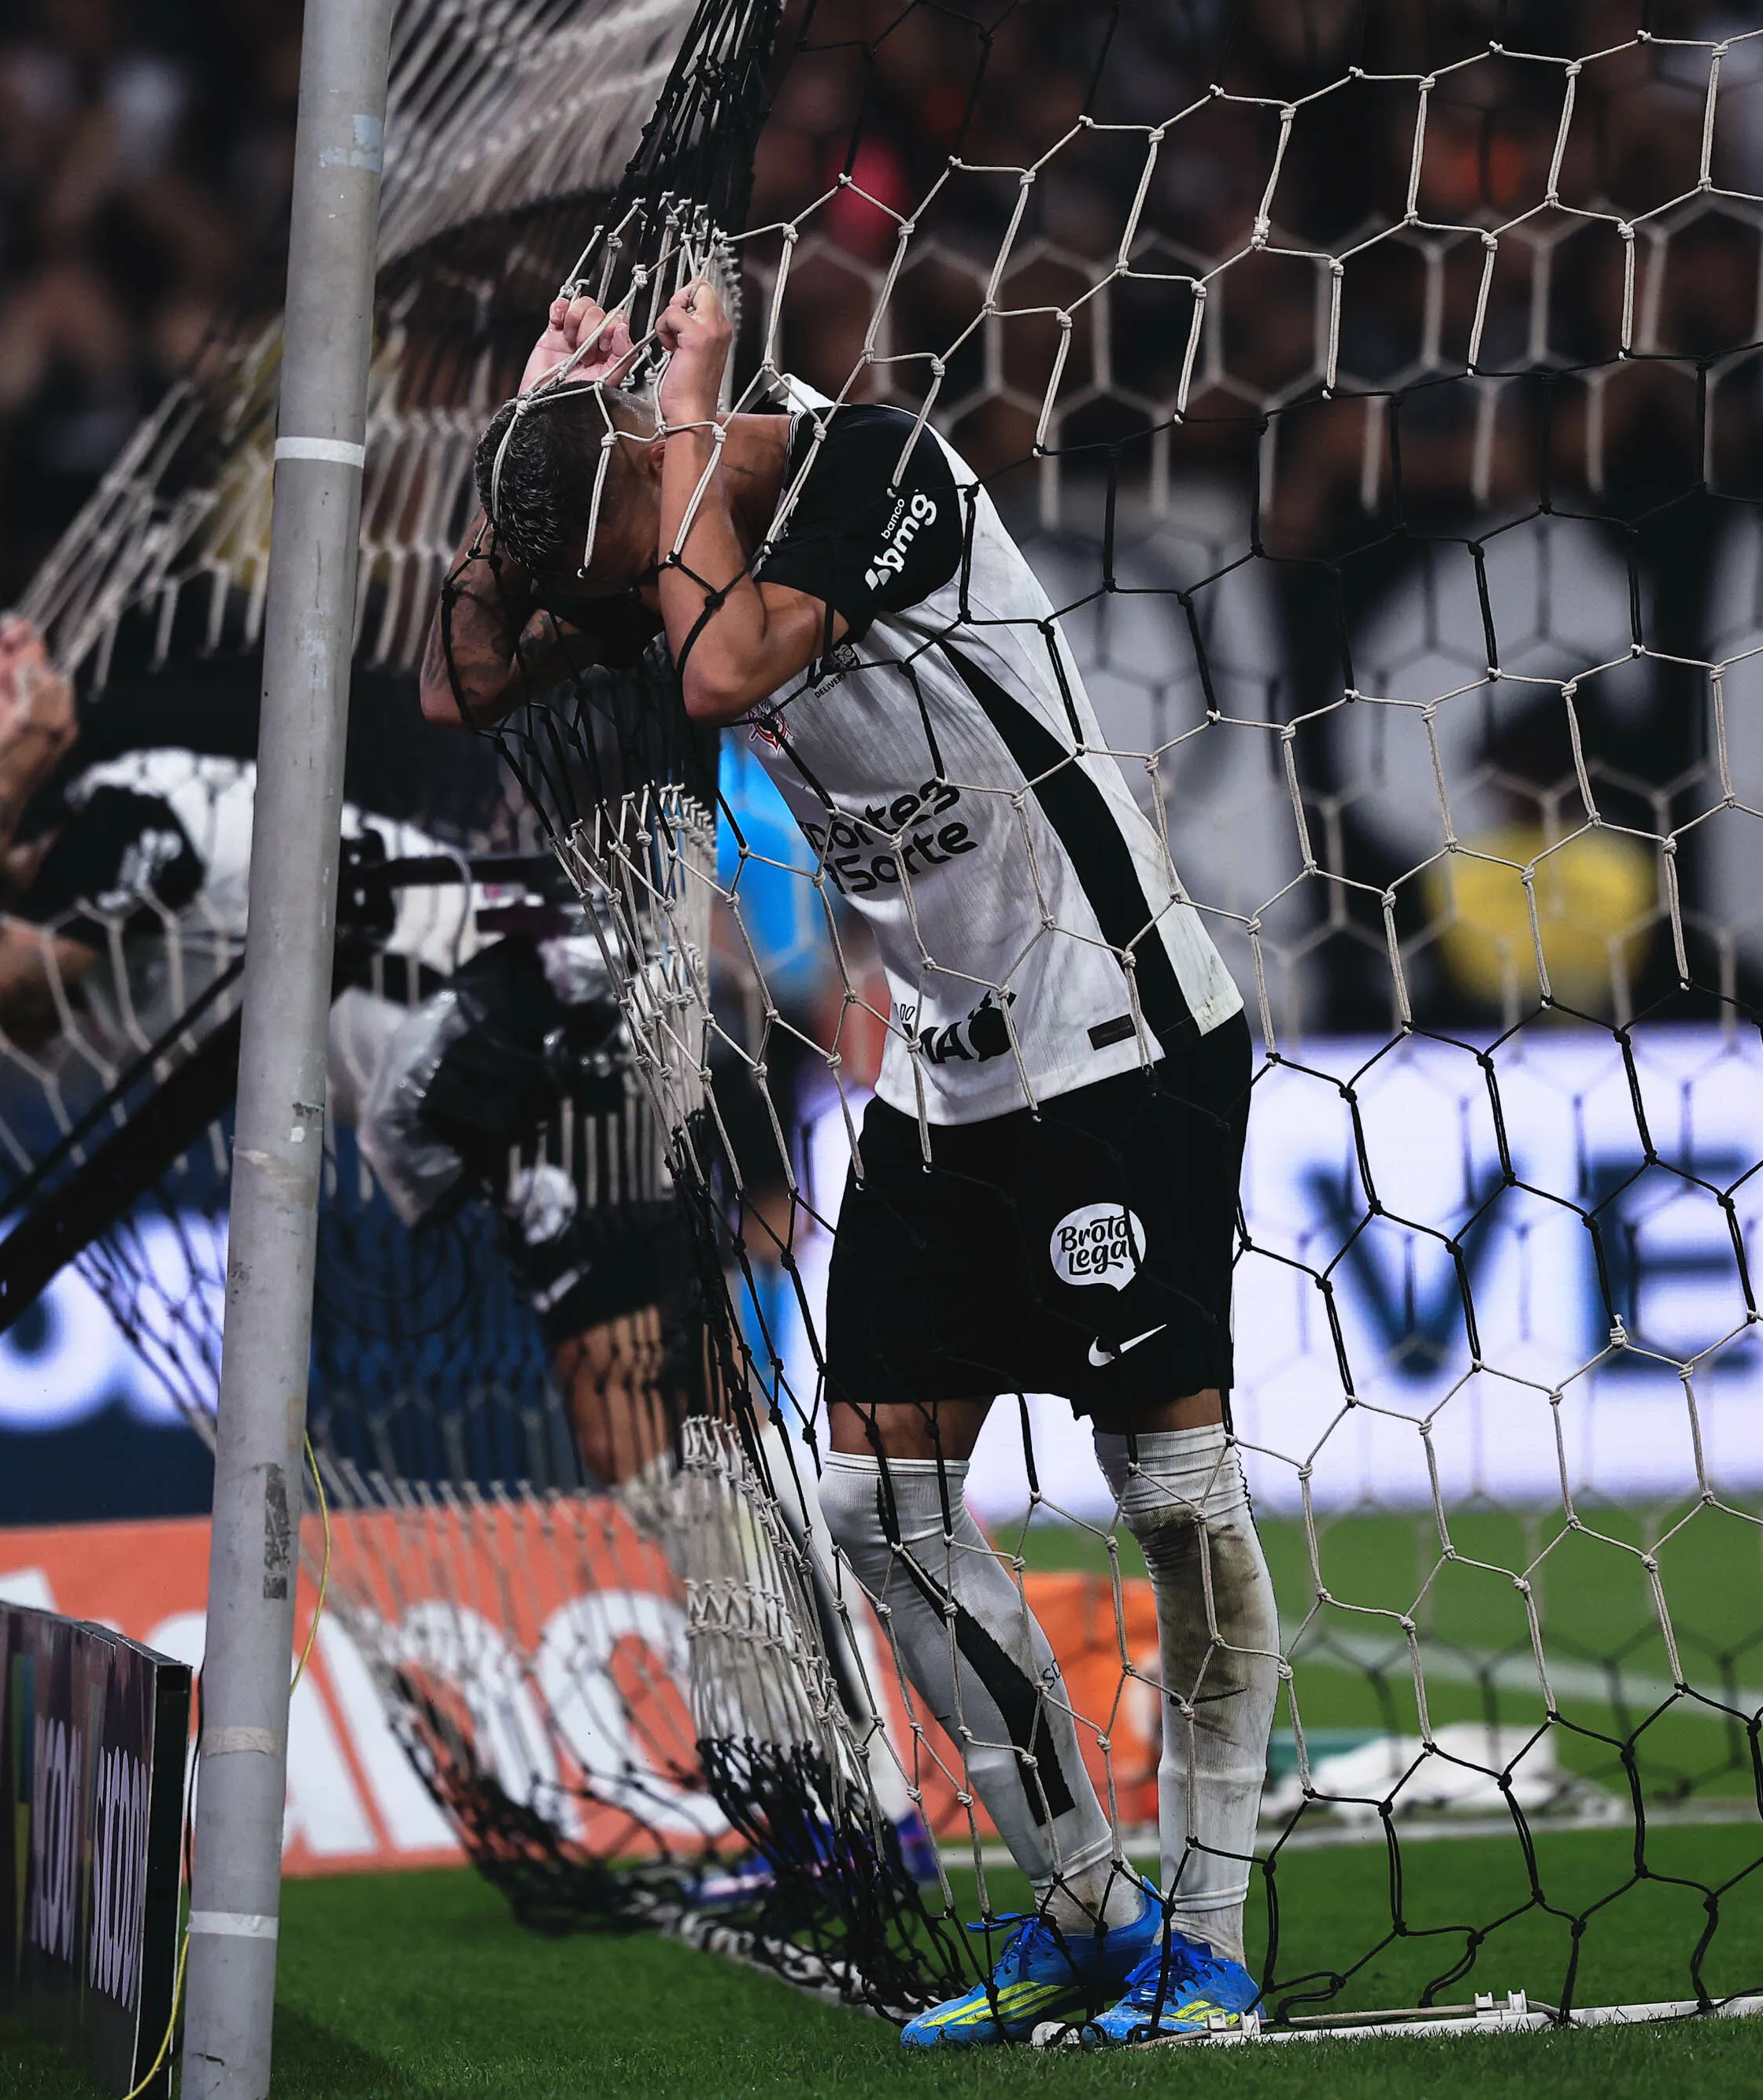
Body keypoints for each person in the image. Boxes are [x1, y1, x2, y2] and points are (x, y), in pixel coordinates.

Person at [427, 282, 1281, 2046]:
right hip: (941, 1091)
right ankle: (1083, 1904)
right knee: (872, 1513)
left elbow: (724, 661)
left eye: (613, 568)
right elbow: (463, 678)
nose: (626, 627)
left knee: (1174, 1504)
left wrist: (664, 426)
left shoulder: (870, 464)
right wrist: (518, 459)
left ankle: (1208, 1928)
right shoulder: (667, 531)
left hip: (1116, 1040)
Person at [0, 619, 697, 1488]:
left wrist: (1, 768)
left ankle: (775, 1616)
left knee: (640, 1440)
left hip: (567, 1027)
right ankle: (780, 1598)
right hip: (535, 1036)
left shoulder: (123, 823)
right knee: (691, 1423)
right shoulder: (85, 893)